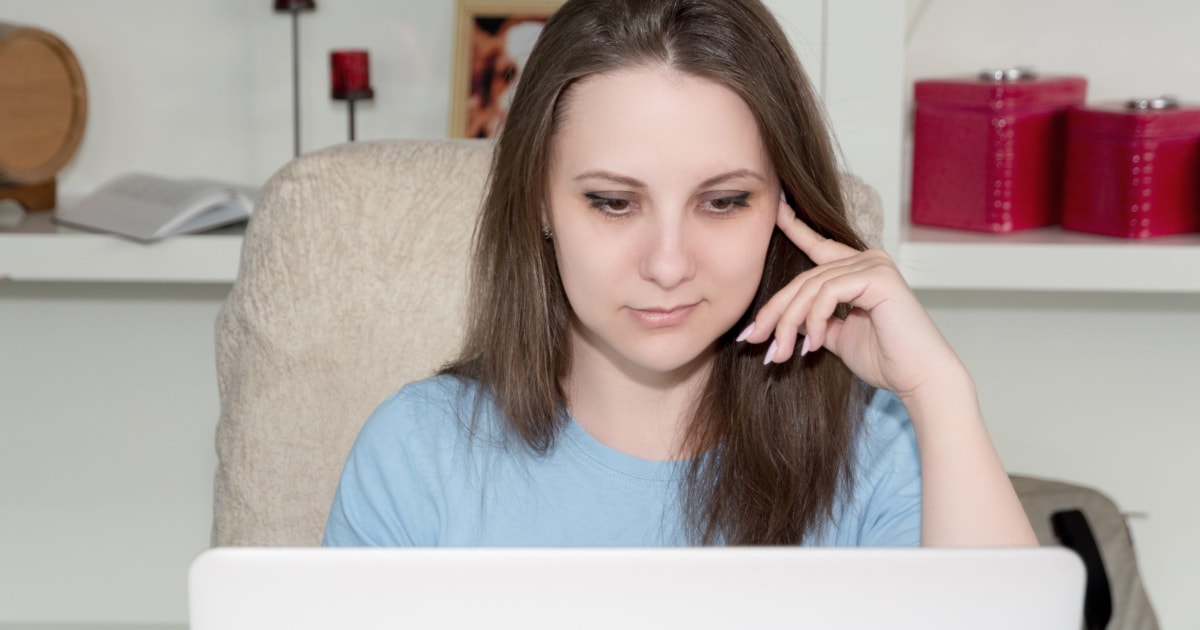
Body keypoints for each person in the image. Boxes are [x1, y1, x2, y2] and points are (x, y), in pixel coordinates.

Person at [323, 0, 1037, 548]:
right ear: (539, 201)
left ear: (782, 204)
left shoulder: (882, 452)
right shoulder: (416, 453)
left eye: (723, 202)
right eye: (613, 202)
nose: (668, 265)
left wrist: (940, 395)